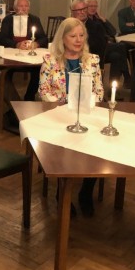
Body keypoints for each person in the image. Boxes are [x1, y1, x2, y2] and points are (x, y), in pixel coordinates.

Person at [38, 17, 104, 216]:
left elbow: (99, 91)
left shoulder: (93, 60)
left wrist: (86, 104)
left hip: (86, 114)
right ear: (63, 38)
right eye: (73, 36)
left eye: (81, 35)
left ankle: (86, 192)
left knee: (98, 146)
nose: (78, 40)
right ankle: (62, 193)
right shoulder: (50, 60)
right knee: (64, 148)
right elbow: (44, 91)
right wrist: (65, 104)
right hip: (58, 115)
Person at [0, 0, 48, 101]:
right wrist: (16, 44)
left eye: (26, 6)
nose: (24, 8)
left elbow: (44, 38)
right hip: (12, 56)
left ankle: (29, 97)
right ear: (15, 8)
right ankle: (11, 99)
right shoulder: (8, 19)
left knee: (40, 69)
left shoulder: (34, 19)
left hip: (30, 56)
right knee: (5, 73)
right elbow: (2, 38)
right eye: (21, 6)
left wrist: (36, 44)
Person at [85, 0, 130, 85]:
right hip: (94, 50)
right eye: (91, 6)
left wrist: (104, 20)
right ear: (85, 7)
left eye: (95, 6)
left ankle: (113, 86)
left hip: (104, 49)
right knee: (122, 45)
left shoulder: (97, 19)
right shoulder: (85, 20)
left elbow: (113, 32)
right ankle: (127, 75)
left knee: (117, 56)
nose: (93, 8)